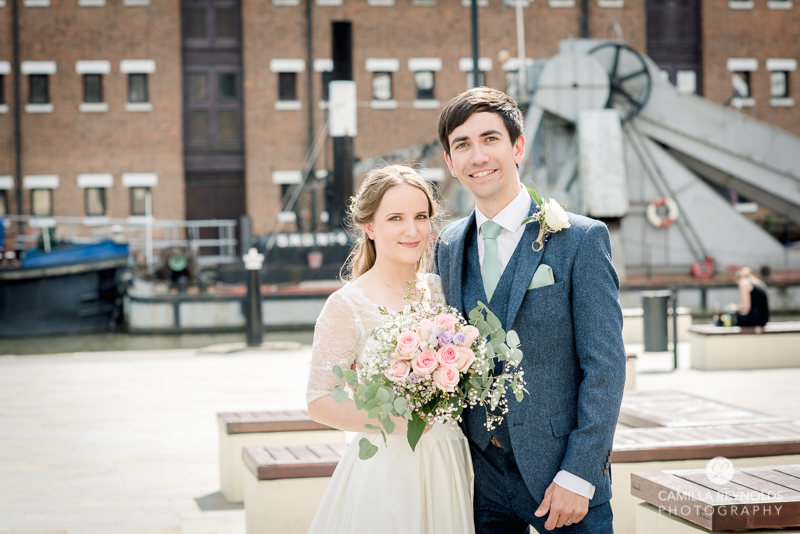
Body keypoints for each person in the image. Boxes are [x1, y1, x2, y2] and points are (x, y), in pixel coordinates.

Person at [433, 87, 626, 533]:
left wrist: (580, 472)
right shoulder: (447, 245)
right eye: (461, 145)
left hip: (564, 478)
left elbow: (605, 366)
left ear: (518, 146)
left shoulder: (580, 239)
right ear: (450, 162)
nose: (477, 155)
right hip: (478, 479)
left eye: (490, 139)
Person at [305, 165, 475, 534]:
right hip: (388, 464)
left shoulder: (444, 289)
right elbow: (319, 399)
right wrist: (401, 424)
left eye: (420, 216)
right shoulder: (348, 304)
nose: (411, 230)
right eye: (395, 218)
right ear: (369, 227)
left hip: (449, 457)